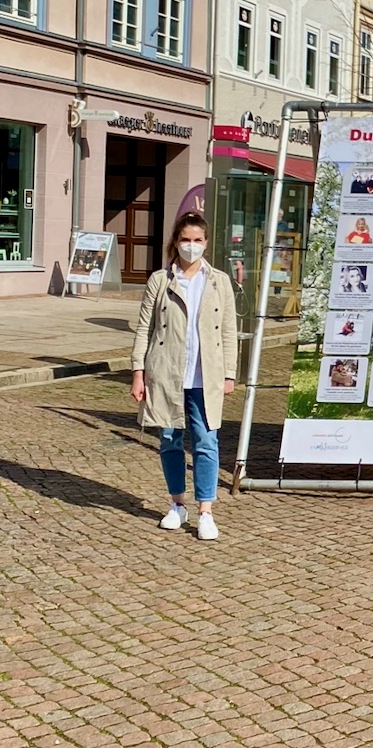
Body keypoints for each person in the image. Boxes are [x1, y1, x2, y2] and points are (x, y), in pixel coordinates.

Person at [130, 211, 237, 542]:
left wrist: (230, 373)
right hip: (166, 374)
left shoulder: (219, 281)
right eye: (185, 240)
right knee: (169, 441)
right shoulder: (160, 280)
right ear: (175, 242)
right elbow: (144, 329)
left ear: (206, 243)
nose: (191, 246)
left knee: (206, 441)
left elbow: (230, 330)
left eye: (197, 240)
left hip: (206, 376)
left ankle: (206, 511)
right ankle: (178, 505)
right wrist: (138, 372)